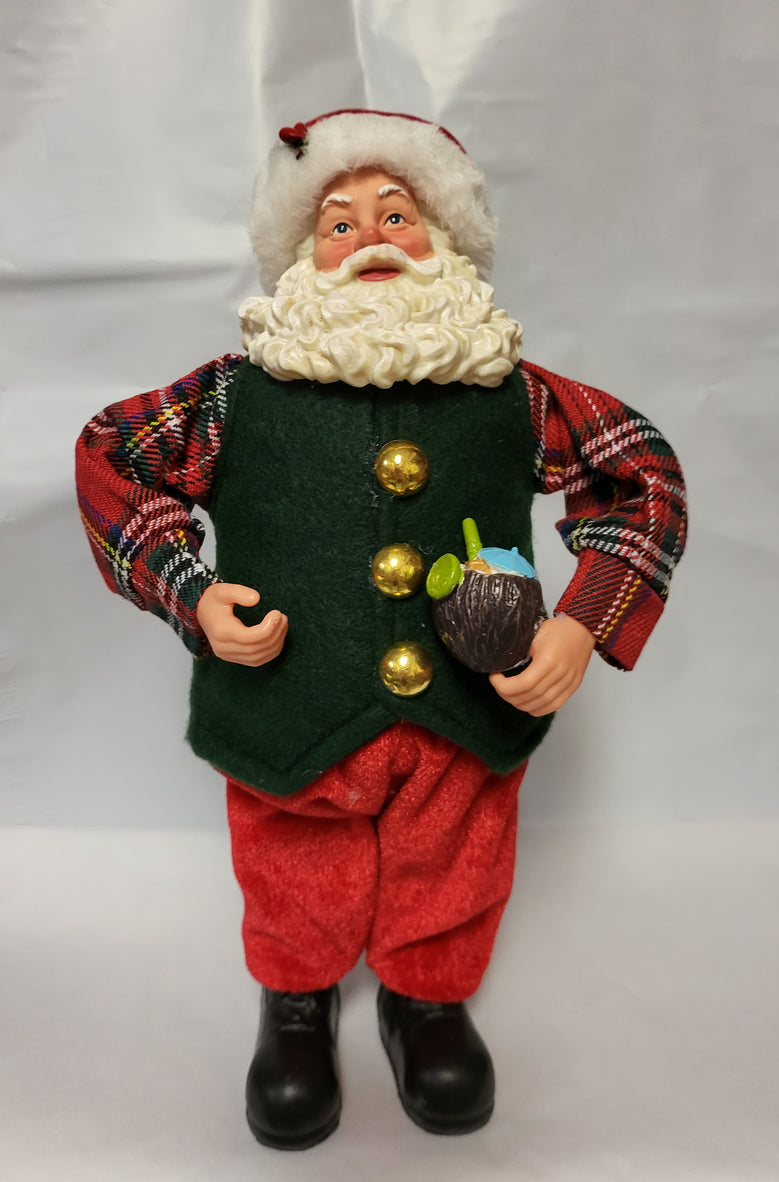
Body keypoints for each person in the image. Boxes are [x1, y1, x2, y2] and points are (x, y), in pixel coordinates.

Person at [76, 109, 687, 1150]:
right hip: (289, 711)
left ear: (444, 240)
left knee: (454, 855)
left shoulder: (514, 392)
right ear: (300, 258)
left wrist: (583, 624)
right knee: (290, 857)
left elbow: (640, 474)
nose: (368, 236)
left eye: (396, 214)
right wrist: (189, 590)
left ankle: (426, 998)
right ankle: (296, 1000)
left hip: (465, 711)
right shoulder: (232, 397)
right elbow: (110, 457)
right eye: (338, 222)